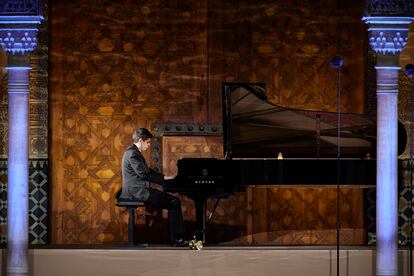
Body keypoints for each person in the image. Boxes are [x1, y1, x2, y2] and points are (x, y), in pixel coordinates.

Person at [120, 127, 187, 246]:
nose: (149, 145)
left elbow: (147, 170)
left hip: (137, 189)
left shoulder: (134, 152)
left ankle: (177, 239)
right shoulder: (132, 154)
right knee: (174, 202)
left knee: (173, 201)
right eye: (148, 142)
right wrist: (163, 180)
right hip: (136, 191)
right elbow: (144, 174)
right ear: (141, 140)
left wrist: (164, 177)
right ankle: (177, 240)